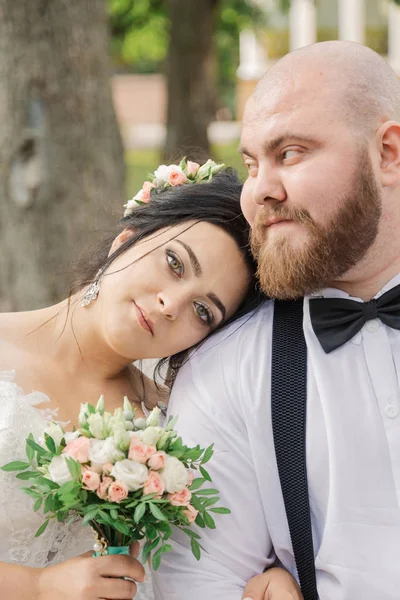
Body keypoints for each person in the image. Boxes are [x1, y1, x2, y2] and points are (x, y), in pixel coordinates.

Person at [152, 41, 400, 600]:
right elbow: (198, 580)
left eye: (290, 153)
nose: (261, 188)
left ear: (388, 153)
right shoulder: (225, 374)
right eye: (251, 163)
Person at [0, 162, 302, 600]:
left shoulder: (169, 426)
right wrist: (38, 586)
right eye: (175, 264)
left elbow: (208, 556)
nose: (170, 304)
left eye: (204, 312)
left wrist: (274, 573)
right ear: (127, 240)